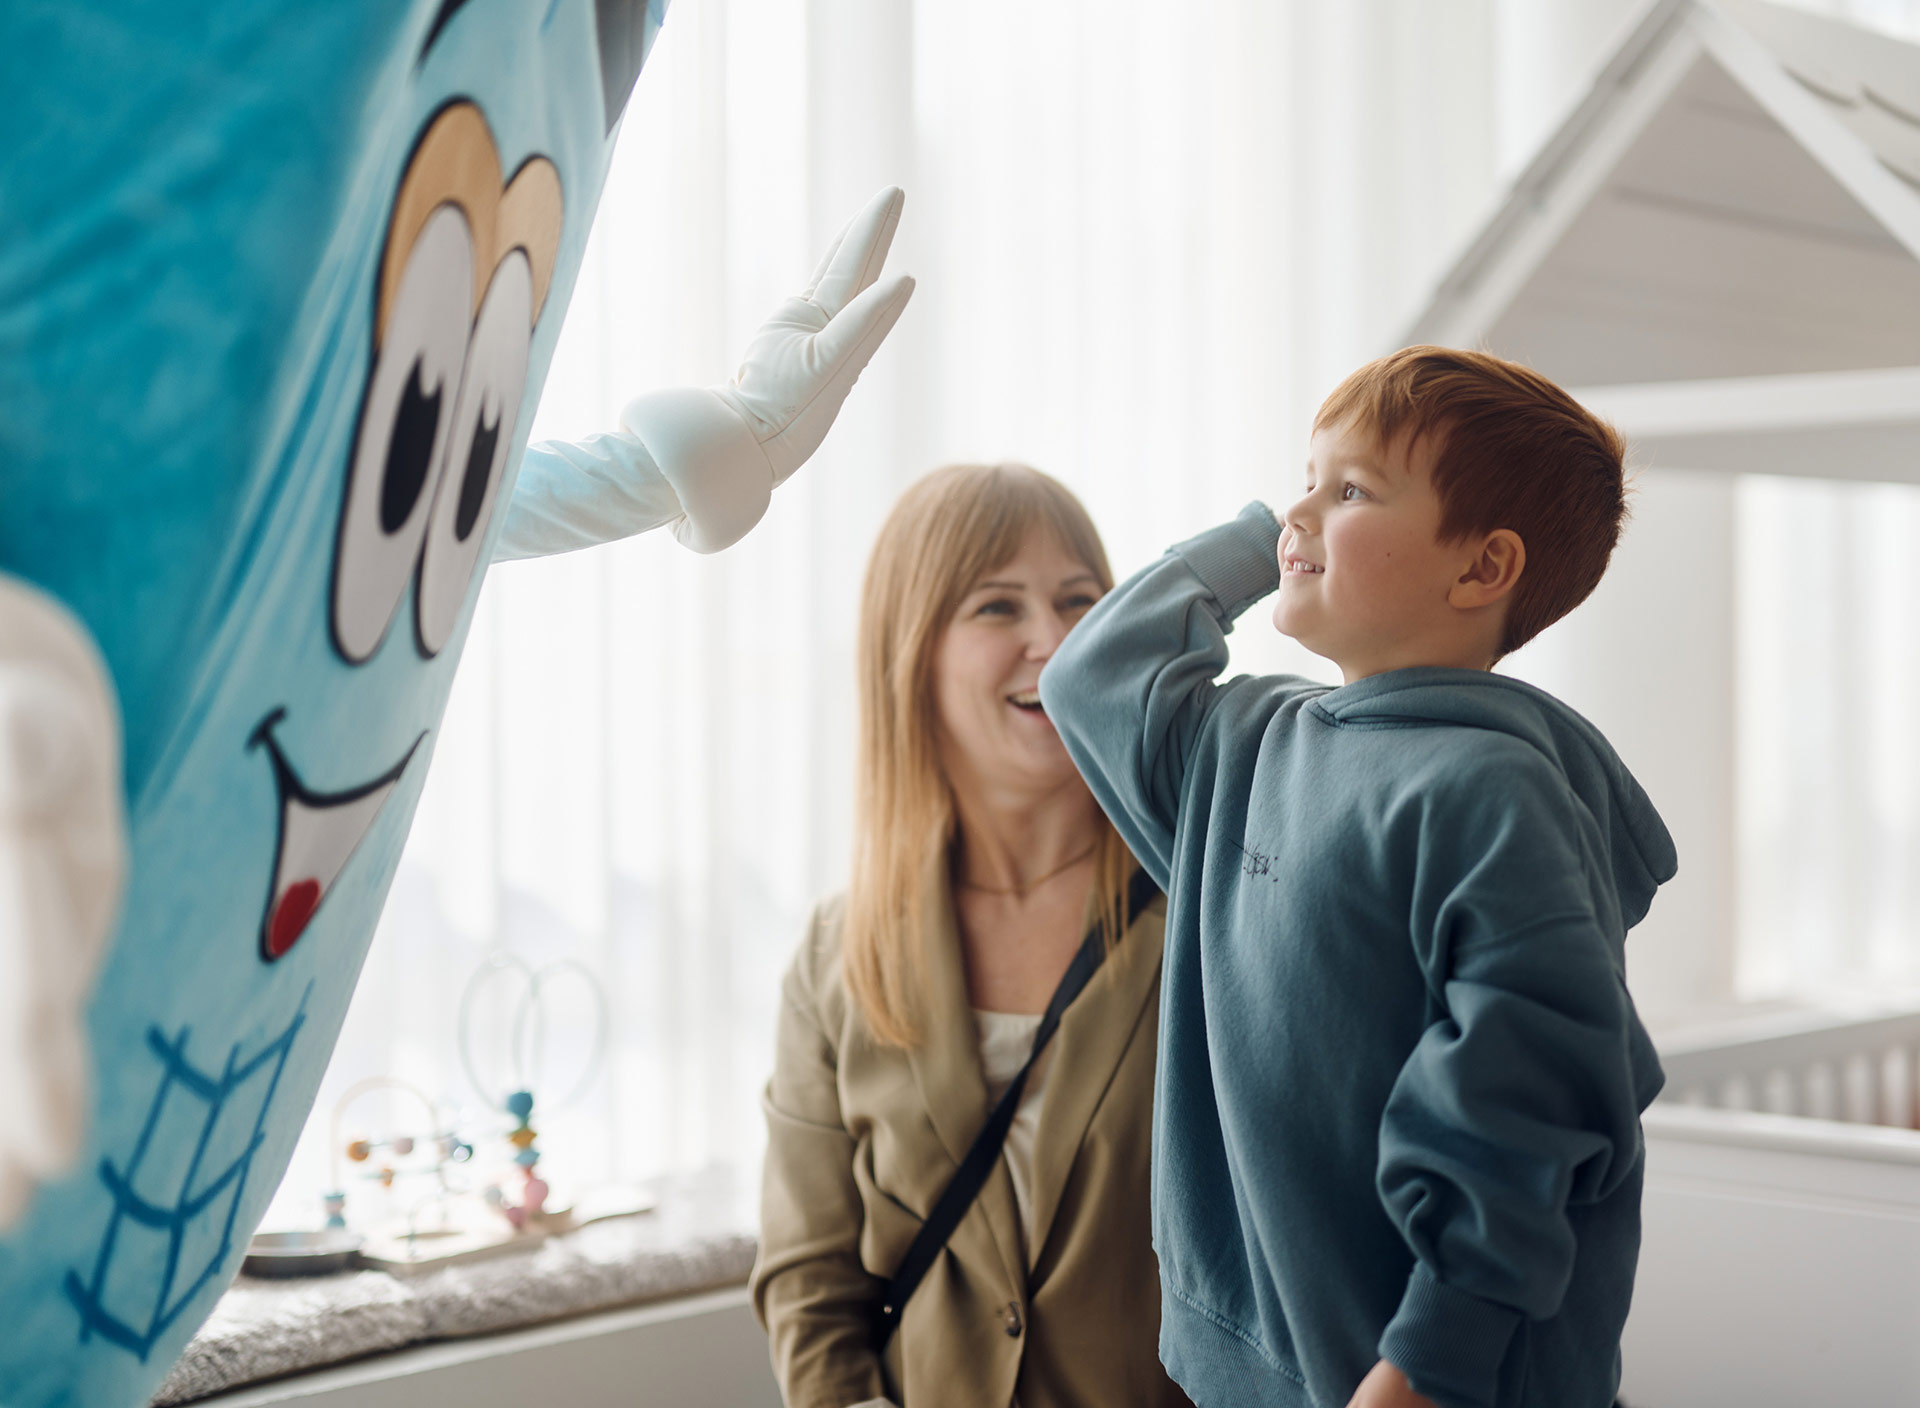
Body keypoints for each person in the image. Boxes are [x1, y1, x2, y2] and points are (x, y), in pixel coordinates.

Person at [1038, 347, 1678, 1408]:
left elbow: (1528, 1110)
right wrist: (1271, 534)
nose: (1299, 509)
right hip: (1258, 1368)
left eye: (1350, 491)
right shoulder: (1246, 743)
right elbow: (1093, 673)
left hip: (1432, 1384)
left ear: (1482, 568)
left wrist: (1427, 1363)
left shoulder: (1494, 793)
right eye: (1307, 477)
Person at [752, 463, 1193, 1408]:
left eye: (1079, 599)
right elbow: (809, 1280)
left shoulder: (1203, 907)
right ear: (911, 653)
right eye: (998, 606)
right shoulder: (838, 954)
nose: (1054, 640)